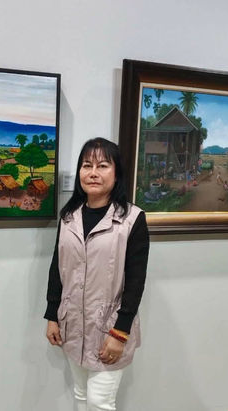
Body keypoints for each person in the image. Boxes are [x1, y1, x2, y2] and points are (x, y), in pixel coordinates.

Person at [44, 137, 149, 411]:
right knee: (80, 395)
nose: (93, 173)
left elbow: (136, 281)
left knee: (100, 402)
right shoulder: (69, 217)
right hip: (72, 325)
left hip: (108, 328)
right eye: (86, 165)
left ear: (116, 173)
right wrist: (52, 315)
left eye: (102, 166)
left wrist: (120, 332)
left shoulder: (132, 220)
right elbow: (57, 268)